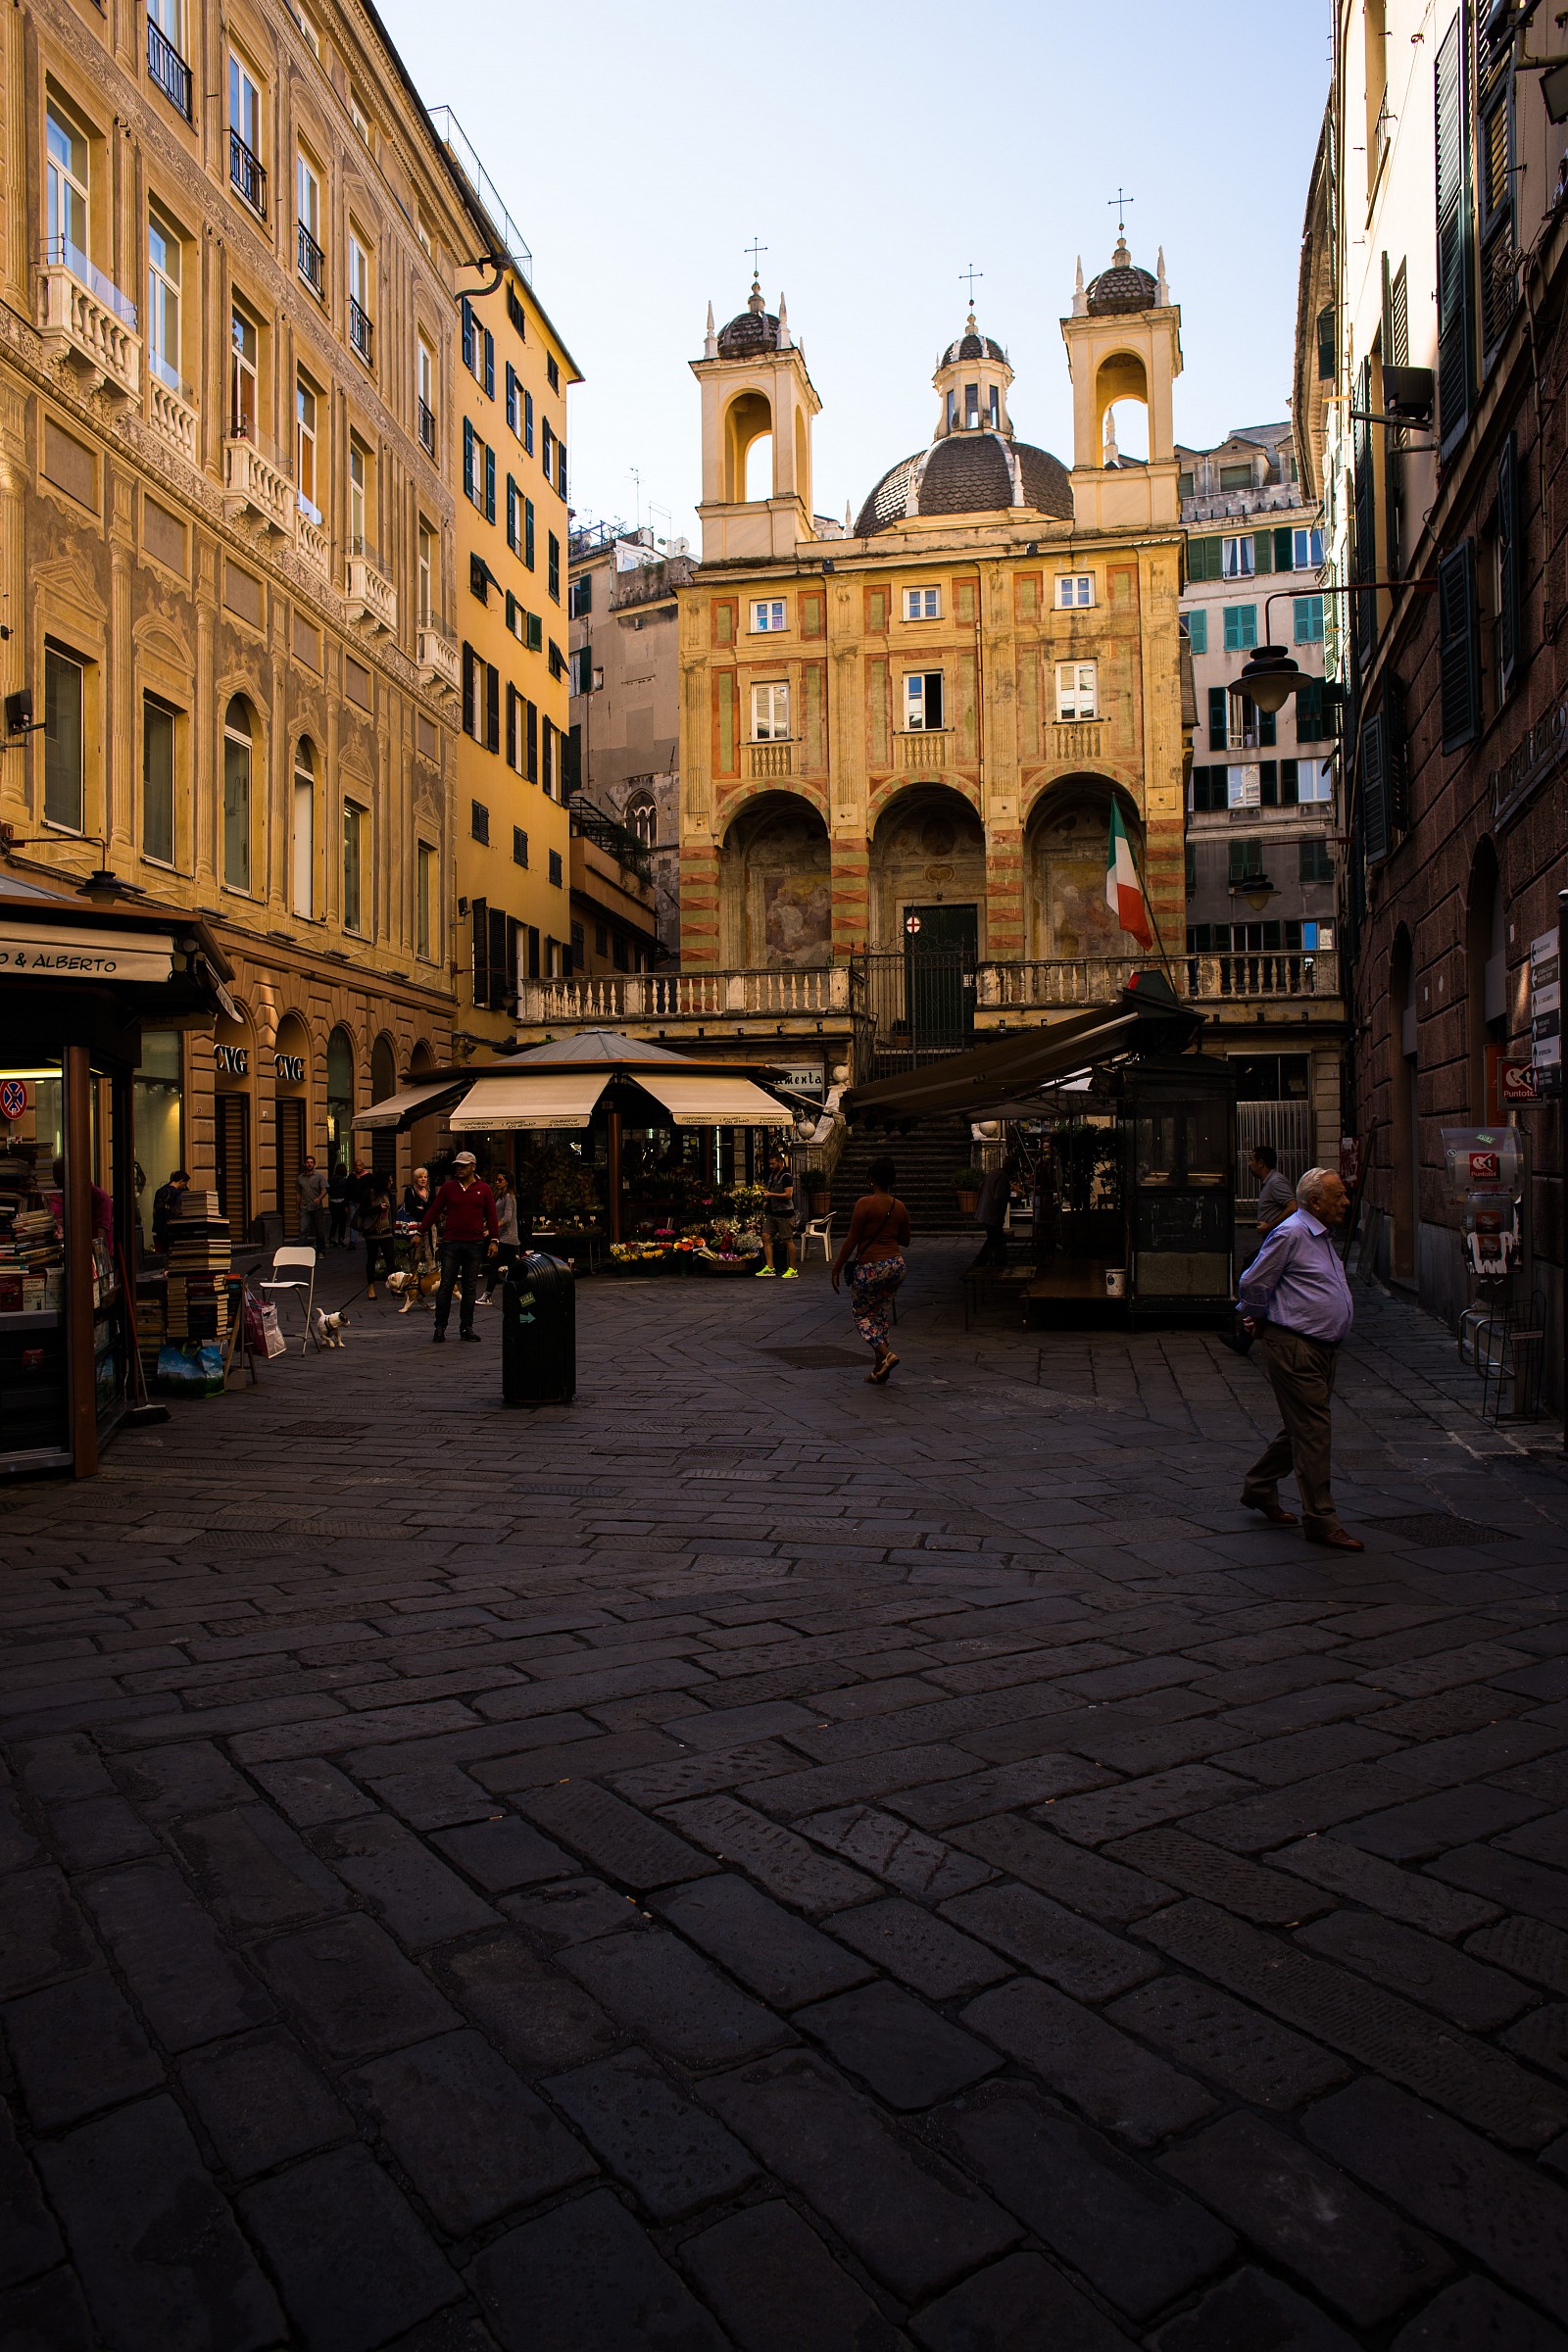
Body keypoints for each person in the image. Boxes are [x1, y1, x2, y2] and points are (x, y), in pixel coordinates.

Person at [1237, 1165, 1362, 1551]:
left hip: (1321, 1347)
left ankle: (1259, 1486)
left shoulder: (1320, 1235)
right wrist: (1256, 1318)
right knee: (1313, 1432)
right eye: (1338, 1196)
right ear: (1316, 1202)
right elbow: (1253, 1281)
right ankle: (1321, 1520)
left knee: (1302, 1427)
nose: (1345, 1202)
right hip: (1295, 1347)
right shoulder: (1291, 1232)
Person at [830, 1154, 911, 1384]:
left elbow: (852, 1239)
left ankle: (887, 1355)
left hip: (870, 1267)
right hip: (895, 1265)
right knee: (880, 1315)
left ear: (871, 1179)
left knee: (862, 1316)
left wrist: (837, 1267)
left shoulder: (864, 1204)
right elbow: (905, 1240)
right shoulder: (899, 1206)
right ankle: (878, 1369)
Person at [419, 1150, 498, 1342]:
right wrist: (420, 1232)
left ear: (473, 1167)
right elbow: (434, 1210)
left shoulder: (484, 1189)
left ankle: (466, 1327)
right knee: (446, 1285)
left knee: (470, 1287)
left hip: (474, 1243)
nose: (459, 1169)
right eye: (457, 1166)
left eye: (463, 1165)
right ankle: (440, 1327)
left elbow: (492, 1216)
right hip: (452, 1242)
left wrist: (494, 1240)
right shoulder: (449, 1188)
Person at [757, 1145, 800, 1278]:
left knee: (787, 1240)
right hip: (773, 1213)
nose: (770, 1166)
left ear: (780, 1163)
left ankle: (793, 1269)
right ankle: (770, 1267)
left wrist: (771, 1195)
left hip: (784, 1214)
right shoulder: (772, 1176)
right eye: (769, 1164)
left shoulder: (786, 1177)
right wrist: (766, 1199)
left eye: (773, 1164)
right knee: (765, 1236)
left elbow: (788, 1195)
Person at [356, 1169, 396, 1299]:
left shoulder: (387, 1193)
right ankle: (371, 1287)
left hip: (386, 1231)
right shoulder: (370, 1193)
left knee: (390, 1259)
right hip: (372, 1233)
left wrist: (393, 1228)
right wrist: (378, 1208)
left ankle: (394, 1286)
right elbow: (362, 1212)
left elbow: (391, 1213)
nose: (391, 1182)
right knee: (372, 1259)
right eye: (390, 1180)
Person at [482, 1167, 521, 1300]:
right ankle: (518, 1293)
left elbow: (507, 1218)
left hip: (507, 1237)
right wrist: (487, 1225)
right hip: (504, 1236)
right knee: (512, 1267)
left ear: (507, 1181)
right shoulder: (502, 1197)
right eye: (497, 1180)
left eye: (500, 1180)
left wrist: (491, 1227)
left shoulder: (509, 1197)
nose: (497, 1182)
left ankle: (488, 1295)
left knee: (494, 1264)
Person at [973, 1153, 1016, 1267]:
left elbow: (980, 1187)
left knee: (996, 1239)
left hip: (985, 1212)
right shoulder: (1002, 1177)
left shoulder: (993, 1173)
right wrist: (1013, 1200)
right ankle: (982, 1262)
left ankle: (998, 1262)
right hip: (992, 1214)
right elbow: (1000, 1197)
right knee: (995, 1239)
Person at [1250, 1144, 1296, 1238]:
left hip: (1279, 1237)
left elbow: (1293, 1207)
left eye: (1252, 1160)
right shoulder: (1270, 1182)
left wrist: (1269, 1226)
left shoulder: (1276, 1182)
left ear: (1261, 1163)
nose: (1249, 1164)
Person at [152, 1168, 189, 1253]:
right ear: (181, 1181)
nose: (184, 1186)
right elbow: (180, 1211)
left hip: (159, 1227)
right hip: (171, 1227)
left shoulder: (159, 1191)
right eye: (185, 1184)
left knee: (161, 1252)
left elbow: (154, 1211)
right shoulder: (178, 1194)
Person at [296, 1155, 329, 1252]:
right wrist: (297, 1208)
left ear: (314, 1164)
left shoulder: (319, 1176)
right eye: (307, 1162)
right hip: (304, 1208)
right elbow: (298, 1193)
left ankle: (321, 1251)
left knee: (319, 1230)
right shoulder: (300, 1178)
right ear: (304, 1164)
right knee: (303, 1230)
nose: (309, 1164)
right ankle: (301, 1252)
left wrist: (319, 1198)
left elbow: (324, 1190)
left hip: (316, 1208)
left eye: (311, 1162)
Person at [327, 1160, 351, 1248]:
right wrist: (346, 1206)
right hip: (342, 1202)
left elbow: (328, 1190)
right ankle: (341, 1239)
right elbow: (347, 1193)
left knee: (334, 1221)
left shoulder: (331, 1180)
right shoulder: (345, 1181)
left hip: (332, 1202)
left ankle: (331, 1238)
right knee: (342, 1222)